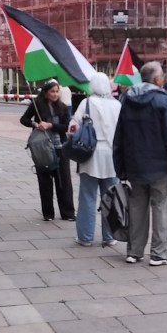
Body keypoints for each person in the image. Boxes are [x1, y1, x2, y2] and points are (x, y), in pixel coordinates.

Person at [113, 61, 167, 266]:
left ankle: (134, 251)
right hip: (159, 164)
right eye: (162, 76)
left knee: (137, 206)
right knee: (159, 206)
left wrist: (120, 167)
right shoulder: (162, 100)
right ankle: (158, 253)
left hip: (134, 163)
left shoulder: (127, 99)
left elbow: (119, 136)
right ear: (157, 79)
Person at [70, 71, 122, 247]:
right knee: (111, 197)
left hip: (89, 153)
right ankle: (110, 236)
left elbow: (72, 127)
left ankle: (85, 236)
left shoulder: (86, 103)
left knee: (87, 197)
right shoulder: (117, 105)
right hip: (112, 155)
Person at [20, 79, 75, 222]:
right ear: (46, 93)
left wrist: (50, 125)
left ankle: (67, 213)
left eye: (57, 91)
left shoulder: (63, 107)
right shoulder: (37, 105)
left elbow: (65, 127)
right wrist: (35, 124)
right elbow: (24, 119)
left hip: (60, 147)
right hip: (43, 147)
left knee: (64, 180)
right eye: (52, 91)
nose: (55, 94)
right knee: (45, 181)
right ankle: (48, 213)